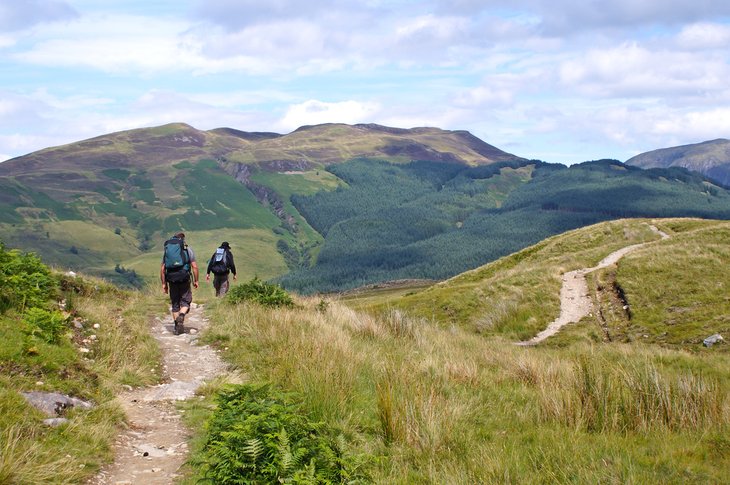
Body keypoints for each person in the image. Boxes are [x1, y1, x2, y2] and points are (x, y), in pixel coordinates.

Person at [160, 232, 199, 334]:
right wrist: (196, 280)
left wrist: (164, 284)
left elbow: (163, 269)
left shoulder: (167, 251)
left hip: (171, 279)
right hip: (184, 278)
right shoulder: (187, 249)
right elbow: (194, 266)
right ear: (183, 240)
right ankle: (181, 316)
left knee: (175, 304)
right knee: (186, 301)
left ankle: (177, 327)